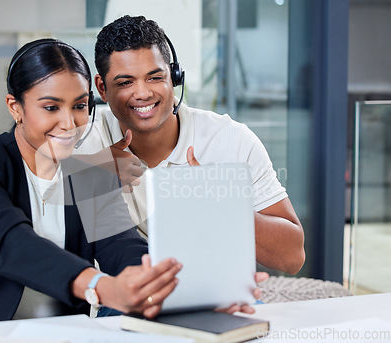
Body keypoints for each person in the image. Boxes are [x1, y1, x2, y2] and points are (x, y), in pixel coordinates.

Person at [75, 15, 305, 275]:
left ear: (174, 77)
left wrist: (222, 204)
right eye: (126, 82)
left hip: (216, 294)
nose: (142, 93)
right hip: (125, 297)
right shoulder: (84, 142)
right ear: (102, 89)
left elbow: (292, 257)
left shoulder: (231, 139)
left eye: (154, 77)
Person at [0, 38, 184, 322]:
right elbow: (10, 242)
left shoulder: (89, 177)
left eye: (79, 106)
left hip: (67, 333)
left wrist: (173, 287)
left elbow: (123, 248)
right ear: (15, 107)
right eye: (51, 107)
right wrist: (99, 285)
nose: (69, 123)